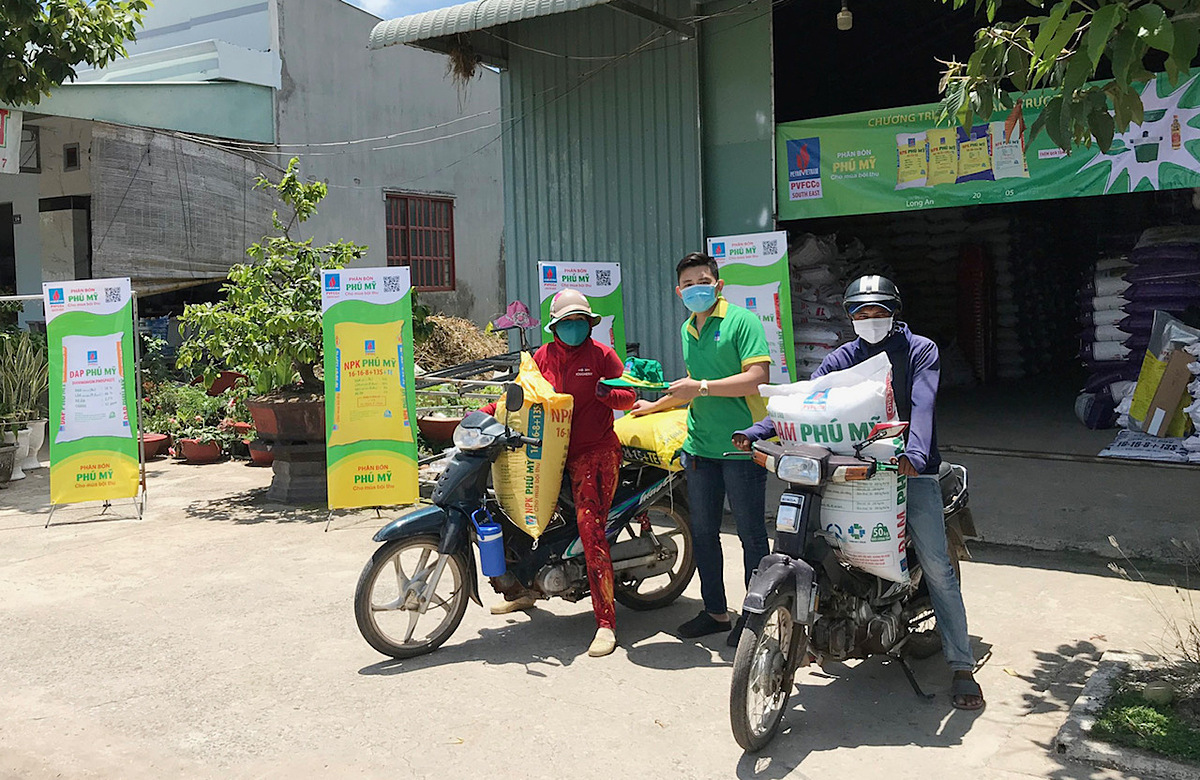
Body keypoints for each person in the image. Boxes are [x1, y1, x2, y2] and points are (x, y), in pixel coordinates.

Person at [732, 275, 985, 710]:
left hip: (908, 472)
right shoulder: (842, 358)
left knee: (937, 568)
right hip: (851, 468)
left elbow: (923, 405)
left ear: (895, 312)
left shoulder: (920, 350)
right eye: (862, 314)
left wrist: (917, 455)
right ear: (851, 318)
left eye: (879, 312)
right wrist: (758, 431)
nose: (870, 320)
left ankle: (960, 664)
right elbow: (806, 402)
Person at [482, 289, 636, 658]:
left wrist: (606, 395)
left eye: (580, 321)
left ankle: (605, 622)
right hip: (549, 452)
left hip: (594, 453)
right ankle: (523, 591)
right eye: (566, 322)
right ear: (554, 326)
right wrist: (484, 413)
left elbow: (628, 396)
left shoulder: (602, 356)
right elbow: (520, 393)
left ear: (589, 324)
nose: (574, 327)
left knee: (590, 529)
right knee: (515, 513)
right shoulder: (542, 356)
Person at [631, 252, 771, 646]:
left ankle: (759, 616)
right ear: (679, 292)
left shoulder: (742, 321)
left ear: (718, 284)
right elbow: (694, 382)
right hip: (700, 448)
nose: (696, 289)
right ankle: (715, 611)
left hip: (741, 447)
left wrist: (703, 388)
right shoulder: (687, 329)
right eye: (689, 284)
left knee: (751, 535)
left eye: (703, 281)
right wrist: (655, 405)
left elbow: (758, 378)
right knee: (705, 533)